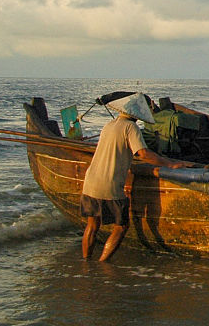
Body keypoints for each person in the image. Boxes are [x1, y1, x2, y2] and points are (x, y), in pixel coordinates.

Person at [80, 93, 196, 262]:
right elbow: (143, 153)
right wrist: (169, 164)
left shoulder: (109, 125)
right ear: (137, 115)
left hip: (91, 181)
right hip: (109, 185)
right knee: (121, 226)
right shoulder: (130, 128)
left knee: (92, 224)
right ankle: (102, 262)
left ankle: (86, 260)